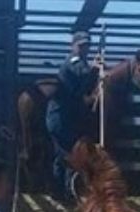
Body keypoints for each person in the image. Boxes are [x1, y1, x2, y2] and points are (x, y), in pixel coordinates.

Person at [46, 30, 99, 201]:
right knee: (70, 154)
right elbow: (81, 73)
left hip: (64, 118)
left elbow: (85, 86)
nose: (85, 49)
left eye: (87, 46)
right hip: (61, 119)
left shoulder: (80, 63)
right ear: (73, 46)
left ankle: (60, 193)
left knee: (62, 155)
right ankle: (67, 193)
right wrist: (95, 68)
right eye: (81, 46)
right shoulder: (73, 63)